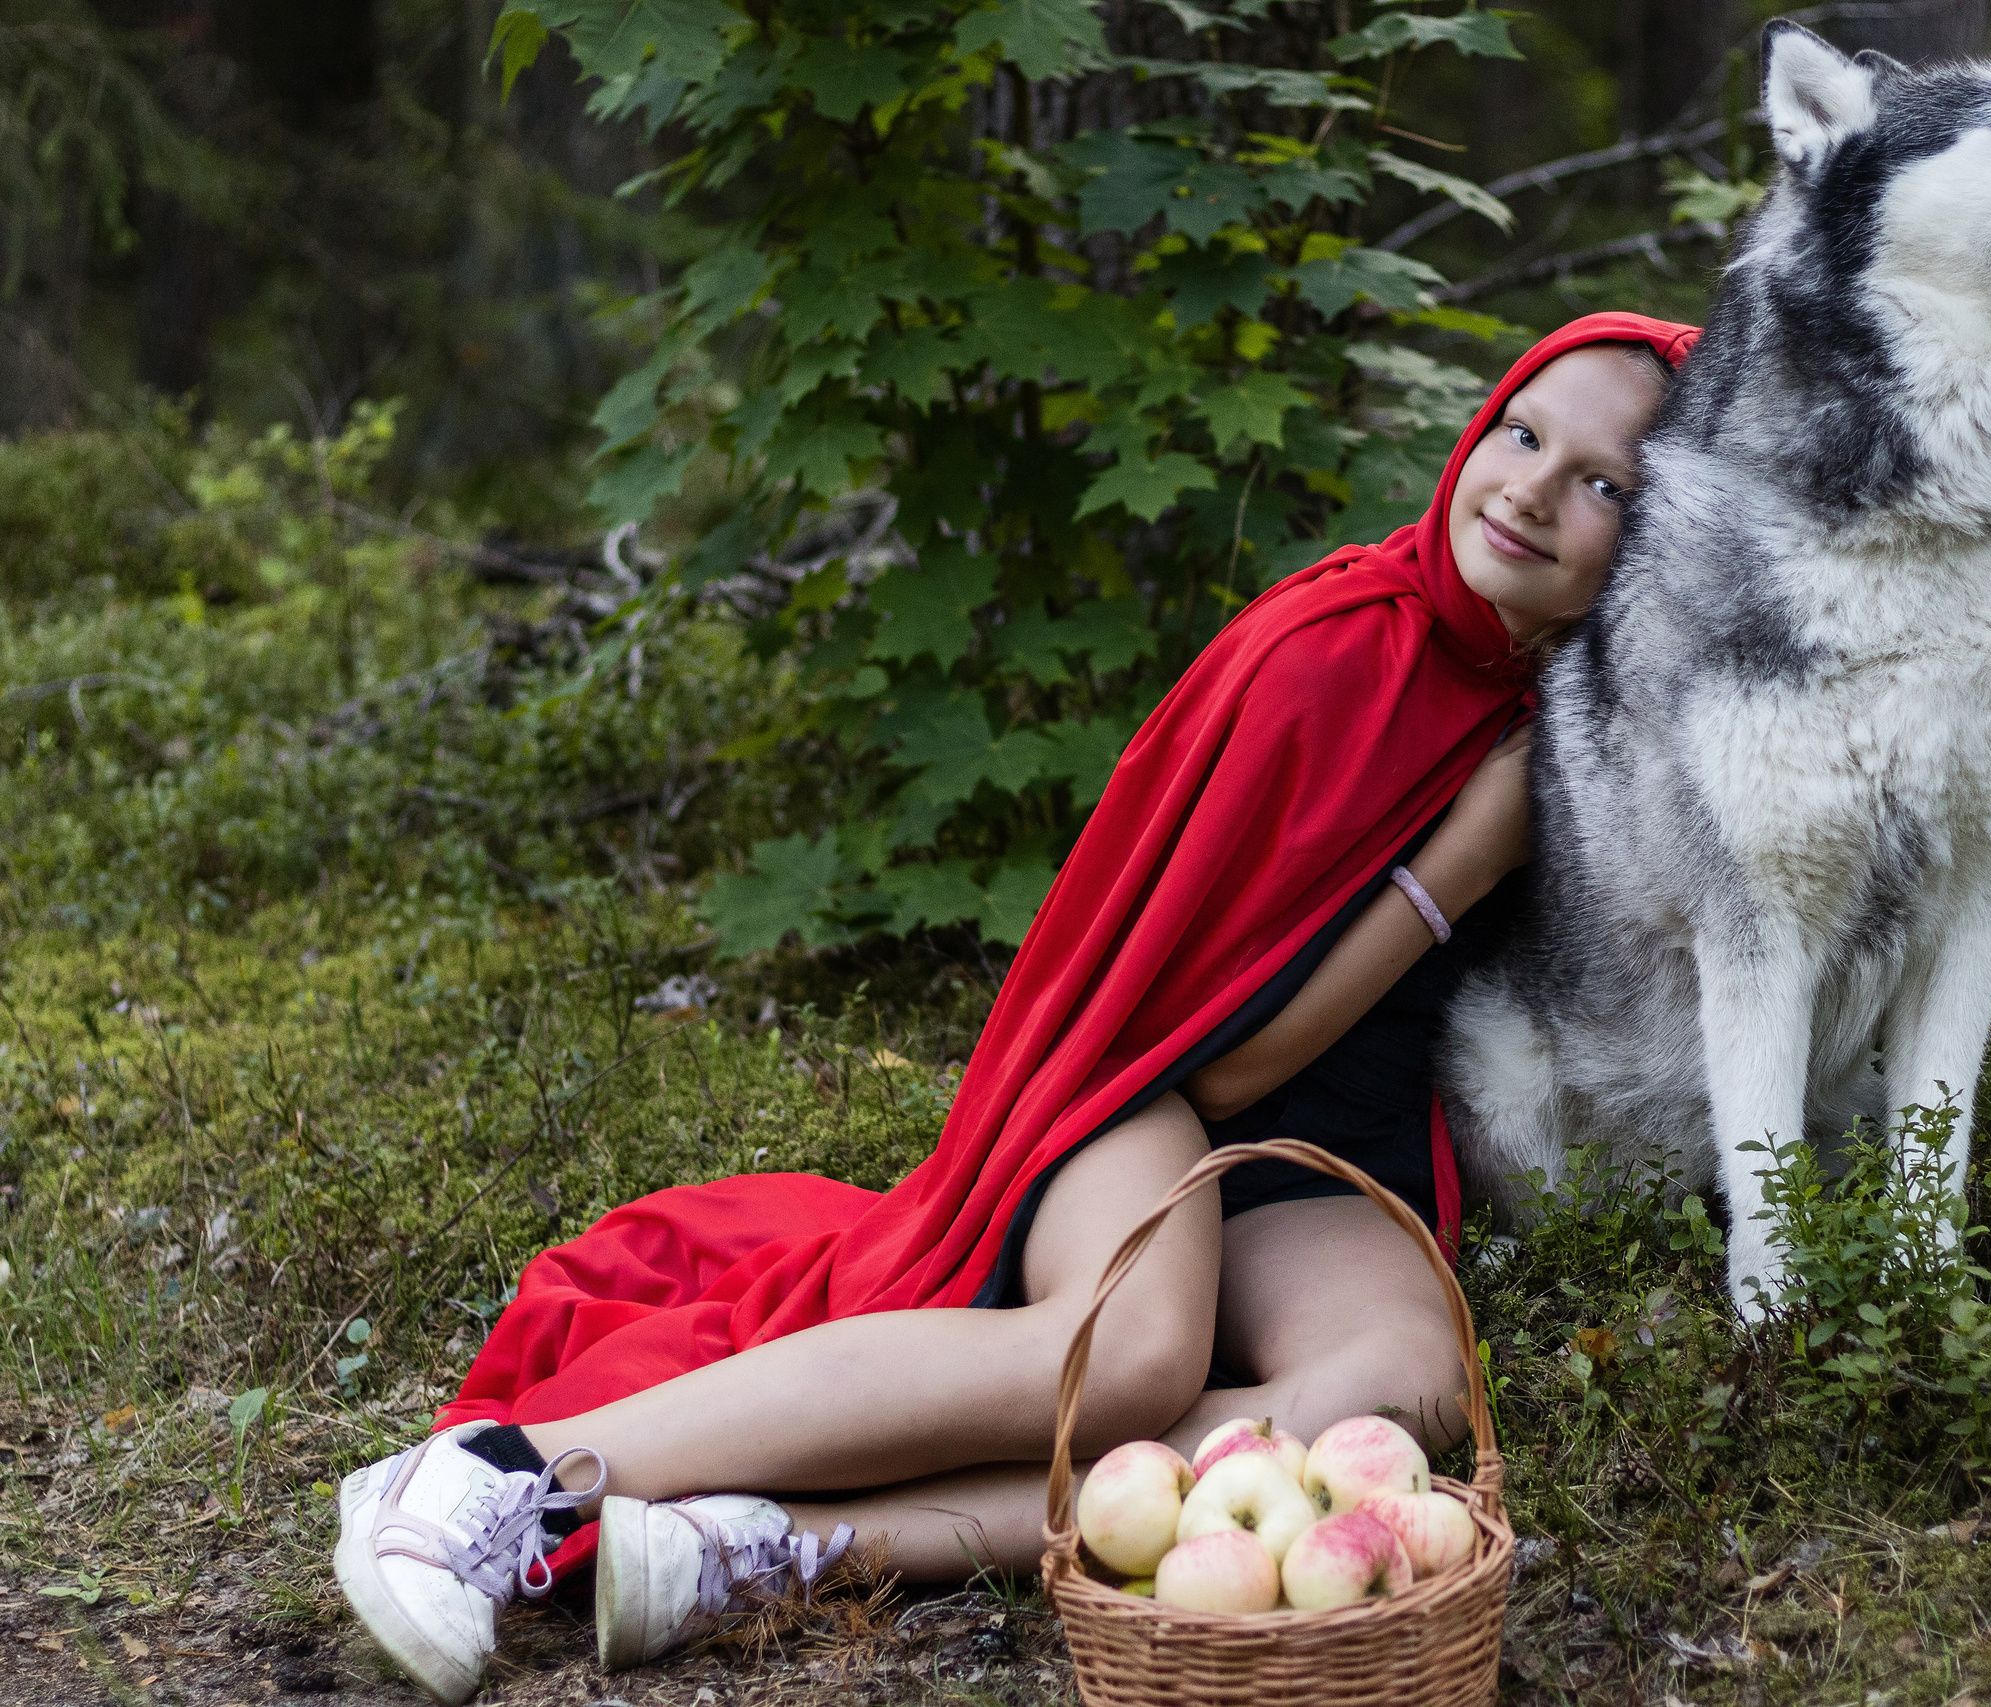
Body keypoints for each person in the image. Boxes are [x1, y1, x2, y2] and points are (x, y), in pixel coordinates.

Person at [330, 312, 1696, 1703]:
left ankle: (750, 1547)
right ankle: (506, 1479)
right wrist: (1462, 858)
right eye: (1522, 433)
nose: (1530, 486)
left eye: (1603, 482)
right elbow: (1215, 1067)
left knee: (1403, 1392)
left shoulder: (1582, 707)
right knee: (1133, 1360)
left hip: (1325, 1144)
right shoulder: (1342, 650)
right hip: (1147, 1088)